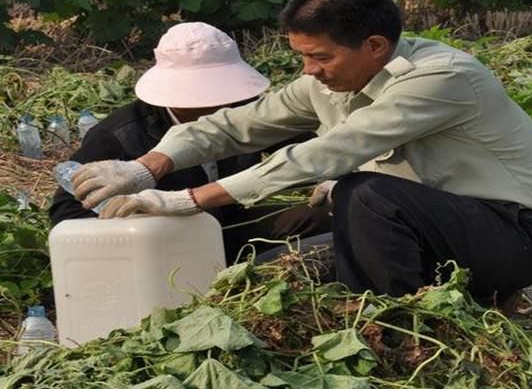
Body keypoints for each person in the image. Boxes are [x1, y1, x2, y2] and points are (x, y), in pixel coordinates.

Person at [70, 0, 532, 300]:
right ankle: (372, 315)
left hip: (514, 236)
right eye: (302, 58)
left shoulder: (442, 77)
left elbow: (332, 151)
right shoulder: (325, 82)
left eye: (322, 58)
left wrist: (189, 199)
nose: (311, 72)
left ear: (374, 46)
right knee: (285, 271)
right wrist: (147, 166)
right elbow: (240, 123)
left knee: (363, 192)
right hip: (433, 233)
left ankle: (402, 324)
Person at [49, 22, 330, 264]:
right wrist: (141, 215)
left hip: (223, 224)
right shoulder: (120, 134)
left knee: (320, 217)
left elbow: (305, 149)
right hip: (162, 246)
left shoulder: (243, 109)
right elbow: (68, 213)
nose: (215, 104)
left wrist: (333, 176)